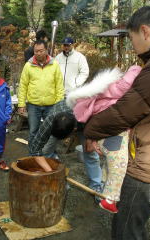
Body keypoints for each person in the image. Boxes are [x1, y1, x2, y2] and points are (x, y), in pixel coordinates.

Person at [83, 6, 150, 239]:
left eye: (132, 38)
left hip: (149, 167)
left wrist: (90, 130)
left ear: (145, 31)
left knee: (126, 231)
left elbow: (124, 112)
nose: (132, 46)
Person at [66, 65, 142, 213]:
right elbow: (126, 83)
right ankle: (109, 199)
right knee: (119, 166)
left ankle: (103, 180)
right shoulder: (111, 89)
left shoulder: (93, 98)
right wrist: (136, 68)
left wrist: (92, 140)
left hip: (103, 139)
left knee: (110, 163)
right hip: (114, 137)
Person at [53, 36, 103, 195]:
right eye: (64, 45)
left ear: (72, 45)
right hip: (60, 96)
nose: (65, 47)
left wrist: (76, 84)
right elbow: (53, 73)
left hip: (76, 94)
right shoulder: (58, 58)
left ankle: (96, 184)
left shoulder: (80, 58)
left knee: (90, 152)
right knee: (55, 133)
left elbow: (85, 72)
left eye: (68, 45)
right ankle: (56, 175)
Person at [18, 39, 64, 157]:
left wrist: (60, 104)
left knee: (51, 131)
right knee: (33, 131)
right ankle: (33, 155)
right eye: (36, 51)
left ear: (46, 50)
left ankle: (49, 153)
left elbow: (59, 85)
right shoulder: (28, 66)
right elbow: (23, 85)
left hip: (51, 104)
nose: (38, 53)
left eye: (41, 51)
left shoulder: (54, 65)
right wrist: (21, 104)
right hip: (33, 105)